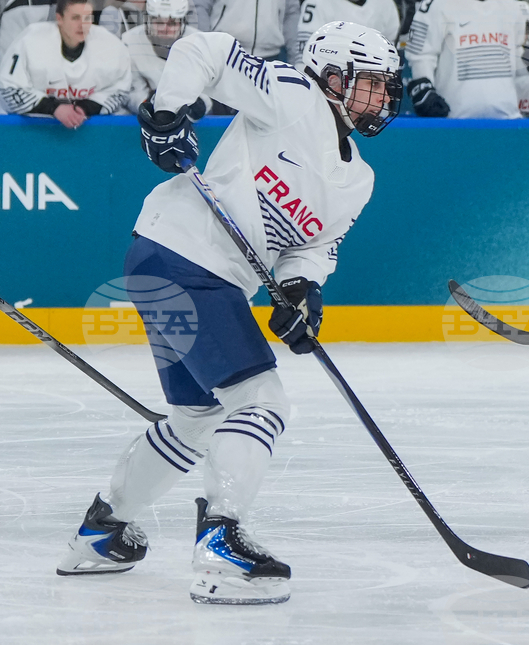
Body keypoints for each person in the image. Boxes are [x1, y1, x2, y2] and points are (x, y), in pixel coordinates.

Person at [55, 20, 402, 604]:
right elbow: (206, 50)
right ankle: (221, 542)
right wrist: (169, 111)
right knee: (261, 401)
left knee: (197, 418)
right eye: (370, 82)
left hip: (172, 262)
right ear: (332, 77)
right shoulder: (293, 95)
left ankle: (101, 534)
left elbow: (316, 247)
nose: (381, 97)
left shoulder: (358, 180)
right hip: (187, 257)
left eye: (385, 86)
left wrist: (302, 290)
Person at [0, 0, 131, 126]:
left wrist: (87, 107)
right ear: (59, 18)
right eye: (75, 18)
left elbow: (121, 89)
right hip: (32, 127)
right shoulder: (31, 41)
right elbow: (9, 88)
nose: (82, 25)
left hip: (87, 128)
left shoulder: (110, 45)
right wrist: (53, 108)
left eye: (87, 18)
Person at [404, 0, 525, 118]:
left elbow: (519, 59)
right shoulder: (436, 5)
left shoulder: (514, 7)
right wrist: (424, 89)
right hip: (454, 119)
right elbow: (421, 54)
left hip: (508, 118)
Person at [122, 0, 211, 114]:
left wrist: (196, 106)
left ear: (183, 23)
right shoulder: (129, 42)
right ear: (148, 20)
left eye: (172, 23)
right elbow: (131, 91)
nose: (164, 29)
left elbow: (207, 90)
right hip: (144, 114)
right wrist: (149, 105)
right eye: (159, 22)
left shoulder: (199, 43)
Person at [293, 0, 400, 67]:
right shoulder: (316, 3)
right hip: (329, 76)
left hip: (372, 77)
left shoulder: (386, 4)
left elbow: (390, 50)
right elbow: (304, 57)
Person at [194, 0, 299, 60]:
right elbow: (200, 7)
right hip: (224, 54)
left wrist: (297, 58)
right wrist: (205, 48)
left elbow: (292, 13)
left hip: (270, 57)